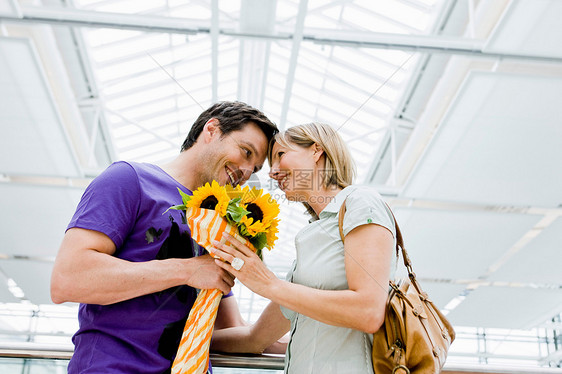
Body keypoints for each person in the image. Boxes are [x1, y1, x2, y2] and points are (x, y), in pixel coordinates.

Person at [50, 101, 280, 373]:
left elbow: (235, 330)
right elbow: (67, 279)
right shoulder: (130, 179)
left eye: (254, 168)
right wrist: (186, 270)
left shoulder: (218, 223)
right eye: (245, 152)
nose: (245, 172)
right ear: (211, 129)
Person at [209, 122, 397, 374]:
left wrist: (269, 284)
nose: (273, 173)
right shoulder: (312, 240)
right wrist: (185, 338)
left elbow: (369, 311)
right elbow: (256, 339)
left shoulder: (361, 202)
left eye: (280, 156)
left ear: (316, 150)